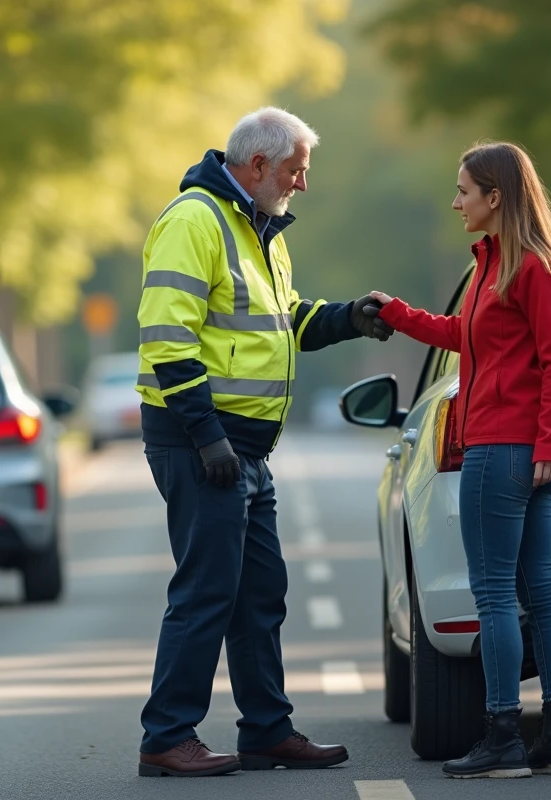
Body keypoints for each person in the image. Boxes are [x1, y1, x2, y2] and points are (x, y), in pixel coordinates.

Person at [133, 107, 393, 778]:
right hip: (205, 444)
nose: (302, 184)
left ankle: (266, 730)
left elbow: (285, 321)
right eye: (296, 171)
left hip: (241, 449)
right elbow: (168, 334)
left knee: (258, 594)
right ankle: (166, 734)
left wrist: (348, 319)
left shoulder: (262, 232)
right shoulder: (196, 221)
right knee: (207, 591)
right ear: (257, 167)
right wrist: (207, 436)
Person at [371, 140, 551, 779]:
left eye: (464, 190)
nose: (456, 200)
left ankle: (502, 737)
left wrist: (549, 444)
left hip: (503, 453)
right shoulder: (496, 269)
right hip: (522, 453)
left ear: (496, 197)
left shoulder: (532, 271)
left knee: (497, 595)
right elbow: (460, 338)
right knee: (536, 590)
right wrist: (397, 316)